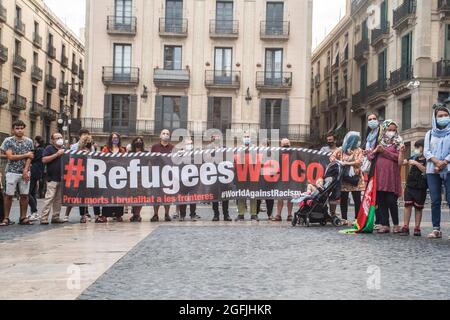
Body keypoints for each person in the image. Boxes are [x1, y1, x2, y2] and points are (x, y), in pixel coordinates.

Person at [368, 120, 405, 234]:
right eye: (389, 130)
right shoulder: (379, 141)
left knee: (391, 201)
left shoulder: (398, 143)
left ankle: (396, 224)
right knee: (381, 201)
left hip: (391, 177)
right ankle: (385, 225)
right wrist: (376, 150)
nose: (391, 132)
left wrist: (384, 152)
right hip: (379, 177)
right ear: (384, 130)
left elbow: (398, 159)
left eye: (394, 130)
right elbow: (370, 156)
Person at [0, 120, 35, 226]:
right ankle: (6, 218)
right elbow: (10, 156)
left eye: (21, 128)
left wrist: (25, 170)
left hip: (24, 172)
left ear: (24, 129)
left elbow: (31, 157)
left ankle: (23, 217)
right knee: (8, 195)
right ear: (13, 129)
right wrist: (25, 155)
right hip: (11, 171)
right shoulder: (8, 140)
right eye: (17, 128)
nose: (19, 130)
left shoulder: (29, 141)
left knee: (24, 195)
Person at [424, 104, 450, 240]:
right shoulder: (429, 134)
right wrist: (436, 161)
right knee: (435, 200)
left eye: (446, 115)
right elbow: (426, 151)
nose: (443, 118)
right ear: (435, 118)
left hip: (448, 169)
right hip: (432, 170)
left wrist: (444, 162)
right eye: (440, 116)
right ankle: (436, 229)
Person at [330, 132, 365, 226]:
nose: (358, 142)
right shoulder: (341, 149)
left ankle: (357, 219)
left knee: (357, 199)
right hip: (344, 178)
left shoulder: (359, 150)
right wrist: (337, 161)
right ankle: (344, 218)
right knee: (344, 198)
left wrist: (347, 163)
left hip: (355, 178)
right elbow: (332, 157)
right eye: (356, 140)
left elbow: (359, 161)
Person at [400, 139, 427, 237]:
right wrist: (402, 152)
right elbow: (402, 162)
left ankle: (417, 228)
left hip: (421, 186)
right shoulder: (413, 157)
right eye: (416, 147)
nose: (416, 149)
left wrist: (416, 163)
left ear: (424, 148)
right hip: (410, 185)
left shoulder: (427, 159)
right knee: (407, 206)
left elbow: (426, 170)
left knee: (418, 208)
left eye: (418, 147)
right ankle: (405, 226)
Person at [40, 132, 66, 224]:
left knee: (58, 199)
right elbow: (44, 160)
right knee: (49, 198)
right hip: (51, 178)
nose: (59, 139)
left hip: (61, 178)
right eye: (57, 138)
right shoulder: (49, 148)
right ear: (52, 140)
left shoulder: (64, 149)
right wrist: (57, 154)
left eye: (61, 137)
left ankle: (56, 216)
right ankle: (44, 217)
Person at [363, 113, 383, 229]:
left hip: (379, 165)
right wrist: (367, 152)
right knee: (371, 193)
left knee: (379, 193)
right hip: (371, 166)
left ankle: (381, 220)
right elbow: (366, 149)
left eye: (374, 119)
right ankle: (374, 218)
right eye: (370, 119)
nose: (372, 121)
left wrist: (372, 152)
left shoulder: (381, 133)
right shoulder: (369, 135)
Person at [101, 133, 127, 222]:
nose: (115, 139)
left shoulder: (122, 150)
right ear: (110, 139)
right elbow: (102, 160)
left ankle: (118, 214)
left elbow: (124, 161)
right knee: (108, 194)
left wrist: (116, 163)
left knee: (119, 194)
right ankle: (105, 214)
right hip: (108, 175)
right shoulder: (106, 149)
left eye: (116, 138)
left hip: (119, 175)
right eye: (113, 138)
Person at [207, 134, 232, 222]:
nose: (216, 138)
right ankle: (216, 214)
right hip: (213, 173)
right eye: (214, 136)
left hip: (223, 174)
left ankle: (226, 214)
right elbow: (207, 159)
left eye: (218, 136)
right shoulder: (208, 147)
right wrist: (214, 152)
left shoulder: (224, 147)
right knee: (215, 195)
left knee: (225, 195)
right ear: (212, 138)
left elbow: (228, 159)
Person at [150, 129, 174, 222]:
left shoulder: (172, 147)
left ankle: (167, 214)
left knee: (167, 194)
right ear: (160, 135)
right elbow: (151, 159)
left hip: (168, 174)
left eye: (167, 134)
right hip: (157, 173)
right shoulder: (154, 147)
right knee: (156, 194)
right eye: (163, 133)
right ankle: (155, 214)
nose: (165, 135)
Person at [235, 132, 258, 221]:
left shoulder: (255, 148)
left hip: (252, 174)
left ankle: (253, 214)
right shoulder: (238, 148)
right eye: (245, 137)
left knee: (253, 195)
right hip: (241, 175)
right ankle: (241, 214)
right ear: (242, 138)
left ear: (251, 138)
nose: (246, 138)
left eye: (248, 137)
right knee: (241, 194)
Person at [177, 138, 200, 222]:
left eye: (190, 143)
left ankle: (193, 214)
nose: (189, 145)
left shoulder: (196, 153)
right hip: (182, 179)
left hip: (193, 179)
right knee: (182, 197)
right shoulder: (179, 153)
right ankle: (182, 215)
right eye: (187, 144)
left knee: (193, 197)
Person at [272, 138, 294, 222]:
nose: (286, 146)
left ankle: (289, 215)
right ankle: (278, 215)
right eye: (284, 144)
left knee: (290, 197)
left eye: (287, 144)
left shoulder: (294, 153)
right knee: (280, 197)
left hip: (292, 178)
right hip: (280, 178)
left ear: (290, 144)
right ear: (280, 145)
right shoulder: (277, 154)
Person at [77, 134, 96, 224]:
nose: (89, 143)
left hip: (92, 174)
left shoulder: (92, 150)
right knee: (83, 196)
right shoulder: (80, 152)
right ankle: (83, 215)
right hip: (83, 175)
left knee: (94, 195)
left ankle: (96, 214)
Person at [28, 136, 45, 221]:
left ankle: (34, 211)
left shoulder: (38, 150)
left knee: (27, 193)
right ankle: (34, 213)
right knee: (33, 193)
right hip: (38, 172)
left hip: (33, 172)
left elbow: (32, 159)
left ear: (36, 142)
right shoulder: (42, 150)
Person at [130, 136, 146, 222]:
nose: (138, 142)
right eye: (137, 140)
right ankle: (134, 213)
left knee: (140, 196)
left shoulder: (146, 153)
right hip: (132, 177)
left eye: (140, 141)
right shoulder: (129, 153)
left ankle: (137, 214)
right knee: (133, 196)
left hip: (142, 177)